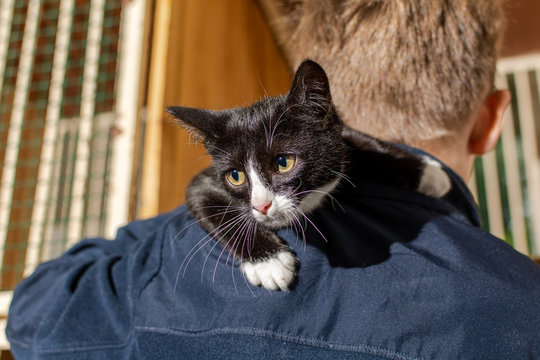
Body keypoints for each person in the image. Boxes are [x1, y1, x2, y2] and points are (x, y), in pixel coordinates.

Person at [7, 0, 540, 358]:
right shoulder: (523, 309)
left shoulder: (164, 265)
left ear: (326, 113)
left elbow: (30, 314)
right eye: (238, 179)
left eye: (283, 165)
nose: (258, 206)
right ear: (493, 119)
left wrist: (162, 236)